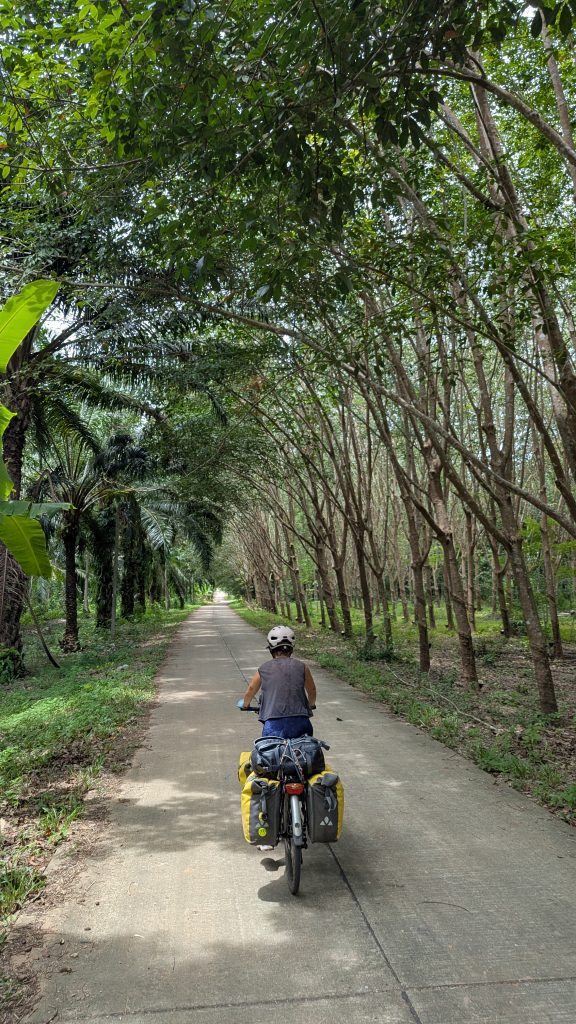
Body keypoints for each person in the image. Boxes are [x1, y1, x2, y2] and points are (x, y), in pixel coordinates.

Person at [241, 625, 317, 738]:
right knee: (305, 750)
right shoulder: (302, 667)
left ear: (271, 649)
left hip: (273, 723)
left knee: (270, 752)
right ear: (291, 648)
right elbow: (311, 690)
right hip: (301, 721)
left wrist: (245, 705)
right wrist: (311, 704)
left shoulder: (264, 668)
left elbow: (251, 690)